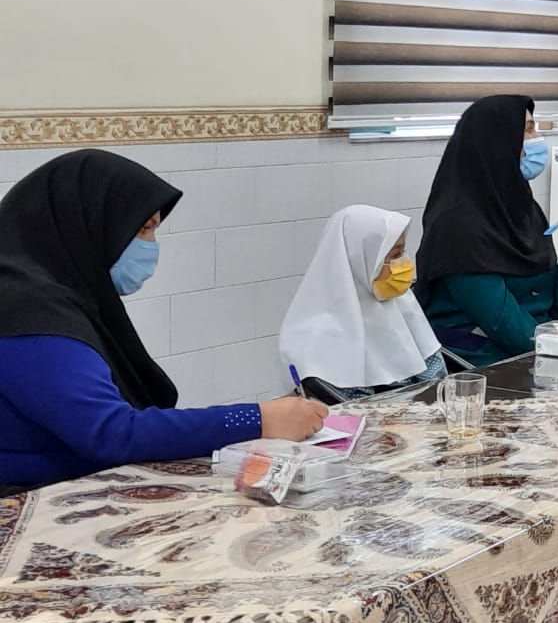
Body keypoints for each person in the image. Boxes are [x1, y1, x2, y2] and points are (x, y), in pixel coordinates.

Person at [0, 150, 326, 491]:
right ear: (84, 224)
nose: (149, 246)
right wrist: (257, 419)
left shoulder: (60, 296)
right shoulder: (25, 309)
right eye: (143, 229)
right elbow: (111, 433)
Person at [414, 95, 558, 366]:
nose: (537, 139)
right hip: (478, 362)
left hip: (526, 349)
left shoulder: (520, 207)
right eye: (528, 130)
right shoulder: (456, 226)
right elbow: (505, 326)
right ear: (497, 142)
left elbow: (554, 307)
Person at [280, 205, 446, 402]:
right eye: (395, 255)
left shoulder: (402, 304)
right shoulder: (319, 337)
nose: (404, 263)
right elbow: (351, 407)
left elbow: (437, 375)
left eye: (403, 252)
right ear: (361, 260)